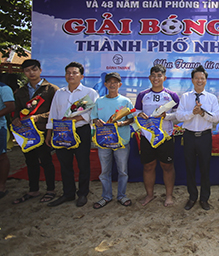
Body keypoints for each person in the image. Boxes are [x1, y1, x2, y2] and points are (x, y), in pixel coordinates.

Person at [46, 62, 99, 207]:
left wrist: (75, 119)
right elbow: (53, 113)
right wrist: (49, 132)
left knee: (83, 163)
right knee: (65, 163)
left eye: (74, 72)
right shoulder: (59, 93)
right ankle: (68, 193)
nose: (71, 75)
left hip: (81, 131)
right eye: (68, 72)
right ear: (65, 75)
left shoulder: (90, 93)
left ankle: (82, 193)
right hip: (61, 131)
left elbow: (93, 113)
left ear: (81, 76)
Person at [11, 59, 58, 204]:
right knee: (30, 161)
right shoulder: (21, 91)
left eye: (34, 69)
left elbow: (56, 112)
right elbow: (17, 110)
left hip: (43, 131)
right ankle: (33, 190)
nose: (31, 73)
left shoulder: (51, 89)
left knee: (46, 161)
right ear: (24, 73)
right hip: (26, 132)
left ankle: (50, 190)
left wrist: (39, 117)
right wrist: (16, 119)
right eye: (27, 70)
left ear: (40, 70)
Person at [176, 65, 219, 211]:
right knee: (189, 168)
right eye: (197, 78)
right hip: (189, 136)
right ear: (192, 80)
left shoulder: (212, 98)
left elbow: (216, 118)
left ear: (206, 80)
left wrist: (202, 113)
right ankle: (192, 197)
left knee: (205, 169)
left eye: (202, 78)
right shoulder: (185, 97)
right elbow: (179, 116)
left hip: (204, 137)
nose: (199, 80)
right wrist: (192, 113)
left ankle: (204, 198)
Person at [135, 65, 179, 207]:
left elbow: (179, 115)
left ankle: (169, 196)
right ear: (149, 78)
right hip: (147, 136)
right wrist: (138, 114)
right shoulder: (142, 95)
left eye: (159, 75)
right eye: (153, 75)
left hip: (165, 136)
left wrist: (166, 116)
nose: (156, 78)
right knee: (148, 166)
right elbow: (135, 112)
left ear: (164, 78)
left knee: (167, 166)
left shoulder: (172, 95)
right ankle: (149, 195)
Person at [91, 72, 134, 209]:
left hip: (121, 142)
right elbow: (94, 118)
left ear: (119, 85)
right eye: (109, 82)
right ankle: (106, 196)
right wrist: (97, 121)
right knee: (105, 171)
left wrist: (121, 123)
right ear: (105, 84)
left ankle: (121, 195)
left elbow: (132, 118)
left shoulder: (125, 101)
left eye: (115, 82)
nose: (112, 84)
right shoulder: (99, 101)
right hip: (103, 142)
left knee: (122, 171)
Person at [0, 81, 15, 199]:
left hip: (0, 128)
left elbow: (10, 106)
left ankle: (2, 187)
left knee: (1, 156)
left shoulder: (4, 88)